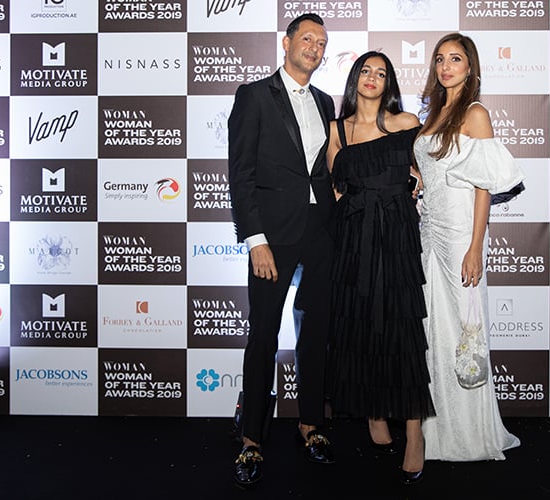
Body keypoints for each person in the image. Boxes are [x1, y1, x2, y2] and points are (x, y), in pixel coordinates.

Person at [227, 13, 336, 488]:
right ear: (286, 43)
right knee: (264, 334)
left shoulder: (326, 101)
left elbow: (327, 168)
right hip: (272, 237)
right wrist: (256, 240)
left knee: (316, 334)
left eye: (322, 42)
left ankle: (311, 425)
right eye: (307, 38)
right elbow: (241, 174)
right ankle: (252, 437)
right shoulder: (254, 96)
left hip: (322, 232)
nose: (315, 47)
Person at [413, 33, 524, 461]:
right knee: (433, 332)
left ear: (470, 67)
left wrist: (476, 246)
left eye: (455, 59)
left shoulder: (475, 113)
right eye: (440, 59)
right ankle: (434, 430)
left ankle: (471, 435)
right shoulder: (432, 114)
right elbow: (433, 170)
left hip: (461, 235)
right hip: (429, 232)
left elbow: (483, 186)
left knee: (464, 331)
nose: (446, 66)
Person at [326, 51, 435, 485]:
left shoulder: (406, 122)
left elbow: (426, 170)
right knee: (360, 327)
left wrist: (416, 177)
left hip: (397, 233)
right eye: (366, 71)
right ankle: (374, 412)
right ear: (355, 79)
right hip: (354, 238)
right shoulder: (337, 130)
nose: (372, 77)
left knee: (401, 330)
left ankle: (414, 430)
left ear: (389, 83)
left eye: (381, 73)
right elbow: (335, 187)